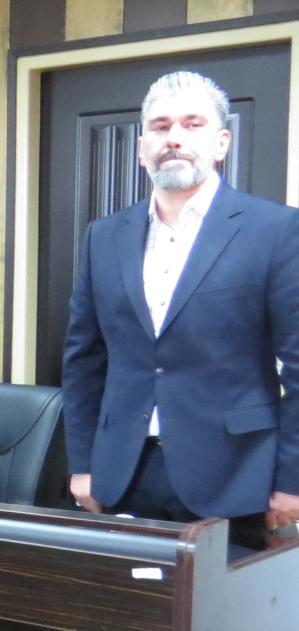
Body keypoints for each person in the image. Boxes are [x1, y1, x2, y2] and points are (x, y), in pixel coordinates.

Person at [64, 70, 299, 544]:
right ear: (141, 148)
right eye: (160, 126)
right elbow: (82, 360)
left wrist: (291, 479)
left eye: (193, 125)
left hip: (236, 476)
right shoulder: (103, 236)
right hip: (123, 472)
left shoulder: (276, 230)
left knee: (225, 595)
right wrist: (83, 464)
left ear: (221, 143)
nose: (174, 137)